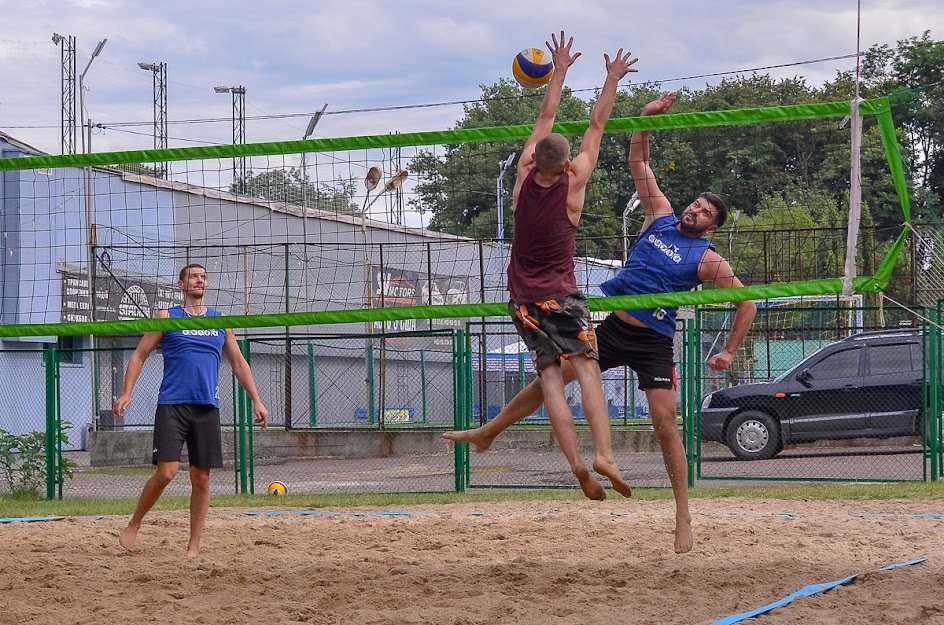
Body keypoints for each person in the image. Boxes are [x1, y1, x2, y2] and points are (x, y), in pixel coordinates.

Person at [446, 92, 757, 554]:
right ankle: (490, 432)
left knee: (665, 423)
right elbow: (638, 158)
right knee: (547, 379)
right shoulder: (660, 216)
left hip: (654, 341)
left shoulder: (710, 261)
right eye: (695, 204)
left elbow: (748, 303)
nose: (694, 210)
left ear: (712, 227)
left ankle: (683, 515)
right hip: (614, 327)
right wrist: (646, 119)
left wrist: (729, 349)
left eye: (705, 212)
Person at [503, 31, 639, 502]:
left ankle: (577, 465)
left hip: (522, 297)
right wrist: (611, 79)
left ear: (534, 159)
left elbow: (546, 116)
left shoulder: (521, 179)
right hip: (561, 293)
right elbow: (597, 125)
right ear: (566, 166)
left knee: (549, 382)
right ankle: (604, 455)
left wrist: (557, 71)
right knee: (586, 371)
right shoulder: (574, 183)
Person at [113, 263, 269, 557]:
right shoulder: (167, 317)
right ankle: (135, 523)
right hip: (172, 405)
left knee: (201, 477)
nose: (200, 280)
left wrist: (256, 400)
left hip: (207, 406)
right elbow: (139, 355)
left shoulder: (219, 320)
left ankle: (193, 546)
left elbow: (238, 363)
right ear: (181, 284)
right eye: (194, 276)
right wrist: (126, 393)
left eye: (204, 277)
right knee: (167, 473)